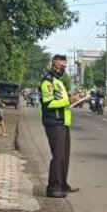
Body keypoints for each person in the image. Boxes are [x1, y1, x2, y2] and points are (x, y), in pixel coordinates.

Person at [40, 54, 79, 198]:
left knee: (64, 156)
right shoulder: (48, 82)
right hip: (53, 123)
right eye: (59, 66)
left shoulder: (58, 82)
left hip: (62, 123)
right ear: (52, 65)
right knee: (58, 156)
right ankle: (53, 188)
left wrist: (72, 100)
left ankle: (63, 184)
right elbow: (48, 103)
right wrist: (68, 101)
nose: (62, 69)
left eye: (64, 67)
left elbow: (62, 101)